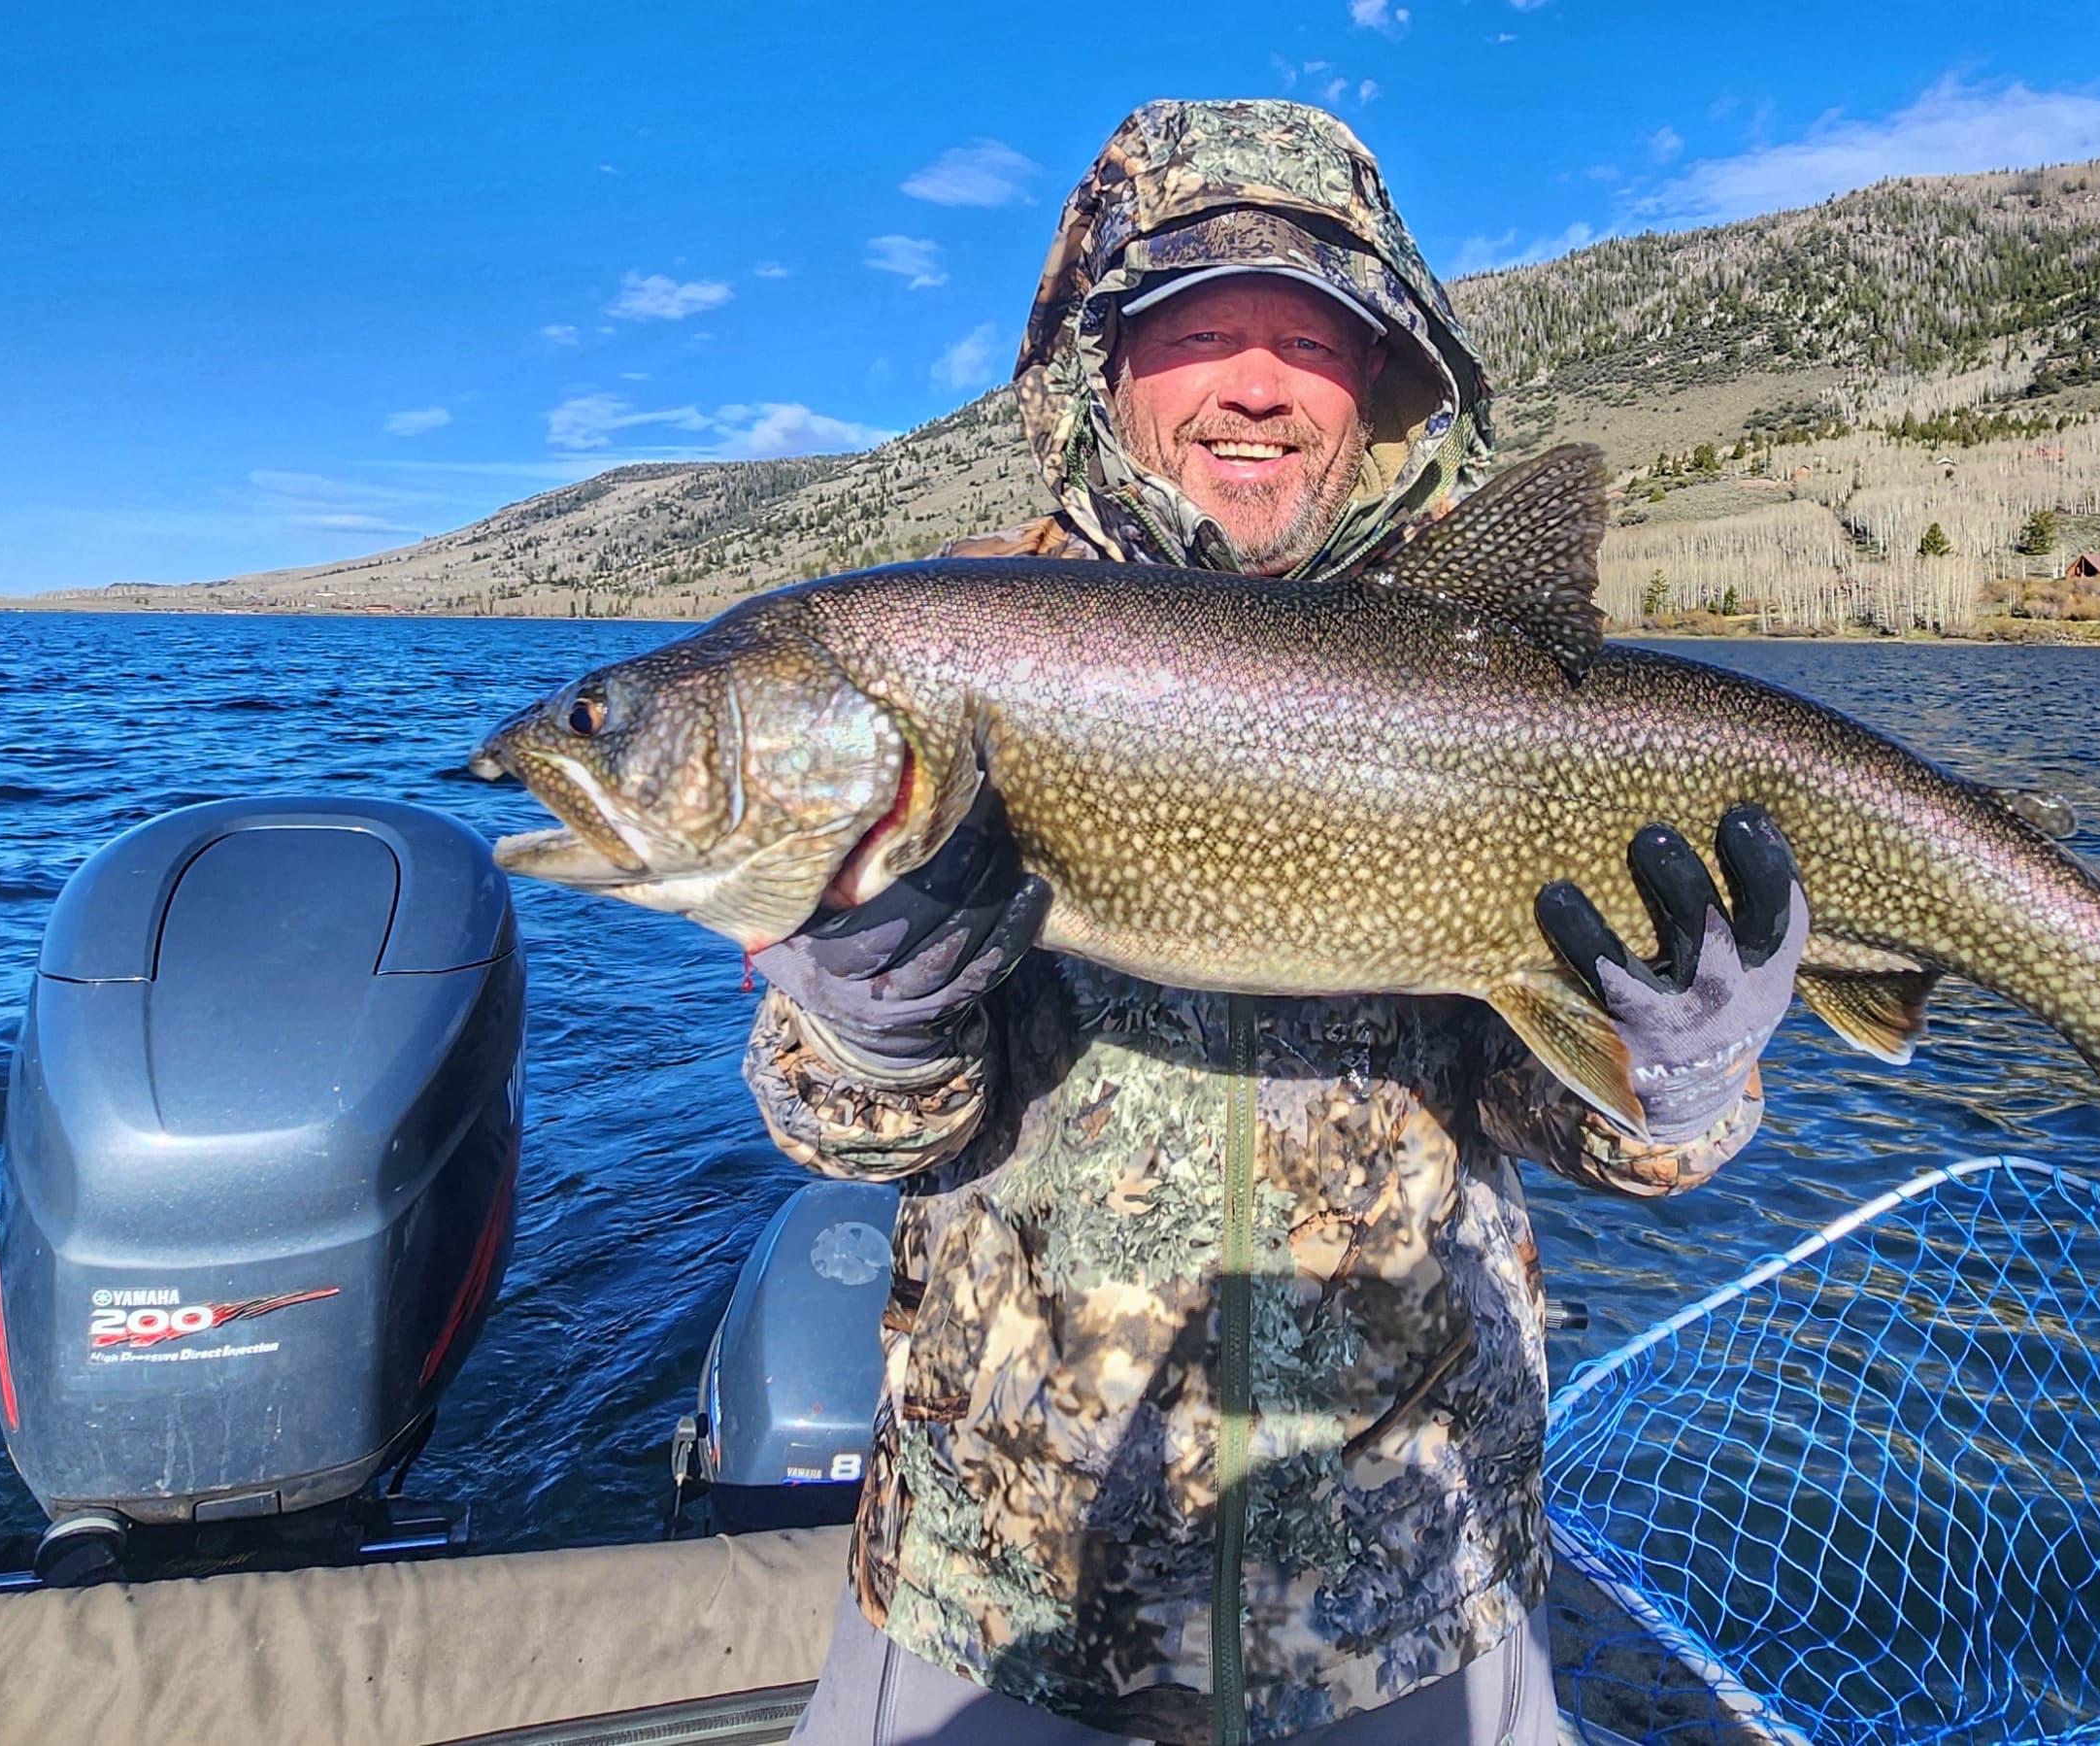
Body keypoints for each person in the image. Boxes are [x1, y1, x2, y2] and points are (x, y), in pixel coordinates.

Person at [756, 99, 1805, 1746]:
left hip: (1411, 1604)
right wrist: (863, 1026)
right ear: (1102, 371)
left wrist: (1680, 1077)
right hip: (1000, 1592)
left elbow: (1597, 1139)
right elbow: (843, 1126)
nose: (1256, 383)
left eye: (1311, 340)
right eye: (1202, 331)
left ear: (1383, 385)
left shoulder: (1498, 682)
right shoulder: (947, 647)